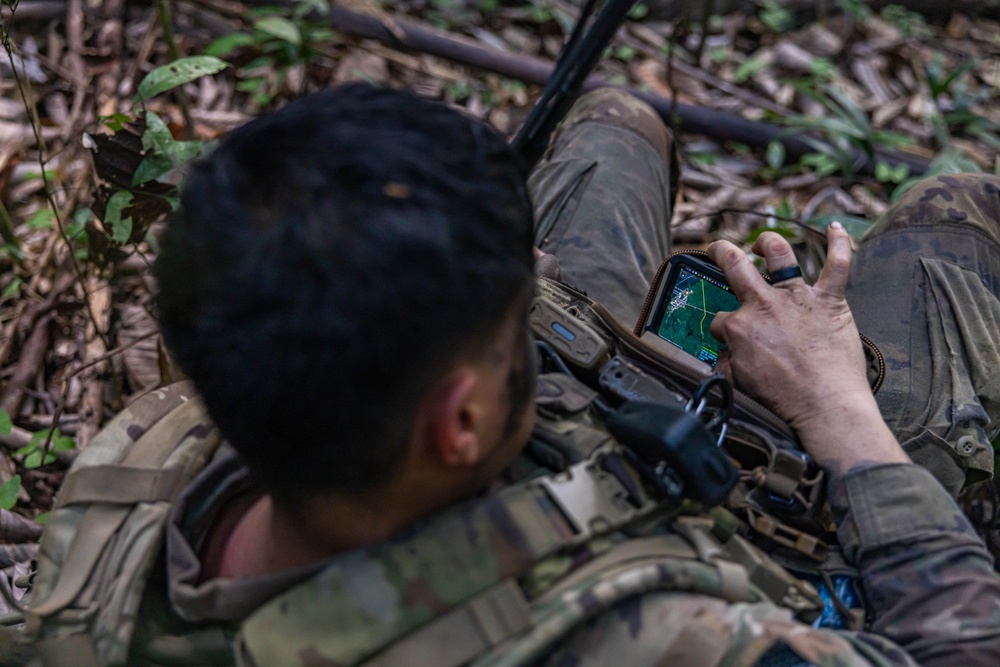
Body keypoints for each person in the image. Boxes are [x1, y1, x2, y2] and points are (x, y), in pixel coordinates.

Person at [23, 82, 1000, 667]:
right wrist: (840, 413)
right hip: (765, 526)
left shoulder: (141, 460)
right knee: (947, 218)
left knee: (614, 121)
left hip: (497, 476)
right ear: (457, 419)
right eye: (514, 313)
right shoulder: (654, 641)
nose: (541, 282)